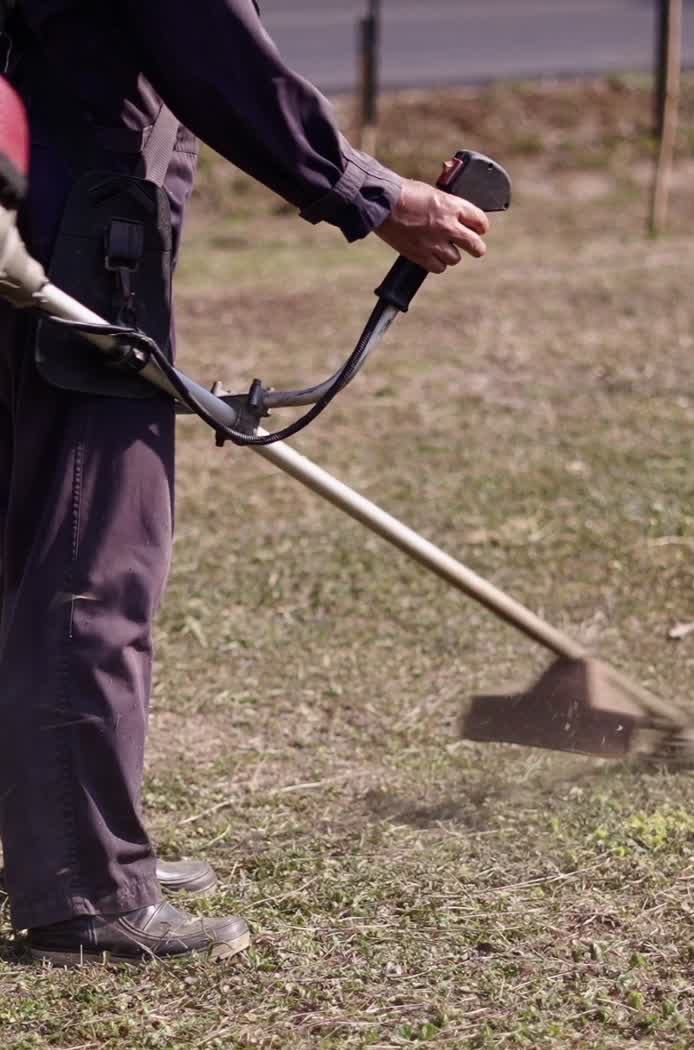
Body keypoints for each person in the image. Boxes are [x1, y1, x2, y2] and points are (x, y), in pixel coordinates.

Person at [0, 0, 489, 965]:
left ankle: (51, 836)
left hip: (27, 198)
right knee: (92, 554)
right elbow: (203, 39)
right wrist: (373, 195)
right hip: (70, 227)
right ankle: (84, 883)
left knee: (24, 534)